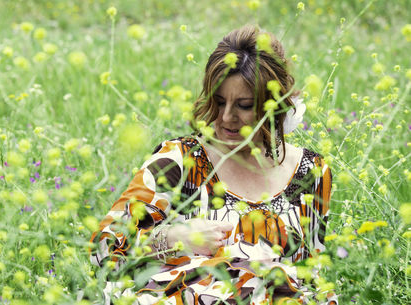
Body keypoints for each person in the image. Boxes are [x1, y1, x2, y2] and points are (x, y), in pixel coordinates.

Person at [90, 25, 337, 305]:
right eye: (218, 102)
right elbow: (103, 249)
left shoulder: (311, 172)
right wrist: (173, 238)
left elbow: (314, 276)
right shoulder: (182, 160)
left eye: (243, 105)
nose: (226, 117)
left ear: (273, 105)